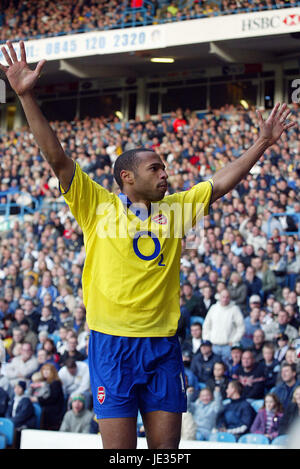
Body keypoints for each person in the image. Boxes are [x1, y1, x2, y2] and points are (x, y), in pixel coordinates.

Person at [0, 41, 294, 449]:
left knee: (166, 455)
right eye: (154, 168)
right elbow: (57, 157)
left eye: (165, 168)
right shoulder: (96, 205)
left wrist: (262, 142)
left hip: (162, 346)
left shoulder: (177, 209)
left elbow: (224, 181)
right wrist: (26, 95)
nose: (164, 175)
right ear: (125, 177)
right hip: (111, 345)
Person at [202, 289, 245, 364]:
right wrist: (208, 340)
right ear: (220, 297)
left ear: (230, 298)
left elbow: (241, 327)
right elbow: (206, 325)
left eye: (227, 297)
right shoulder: (214, 308)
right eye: (223, 297)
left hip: (228, 347)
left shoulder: (234, 309)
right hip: (214, 346)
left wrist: (234, 340)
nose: (225, 299)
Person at [29, 363, 65, 430]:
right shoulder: (44, 382)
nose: (45, 372)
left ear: (52, 372)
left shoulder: (56, 383)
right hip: (45, 409)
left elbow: (53, 398)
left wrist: (37, 399)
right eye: (44, 370)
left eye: (48, 370)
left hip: (53, 413)